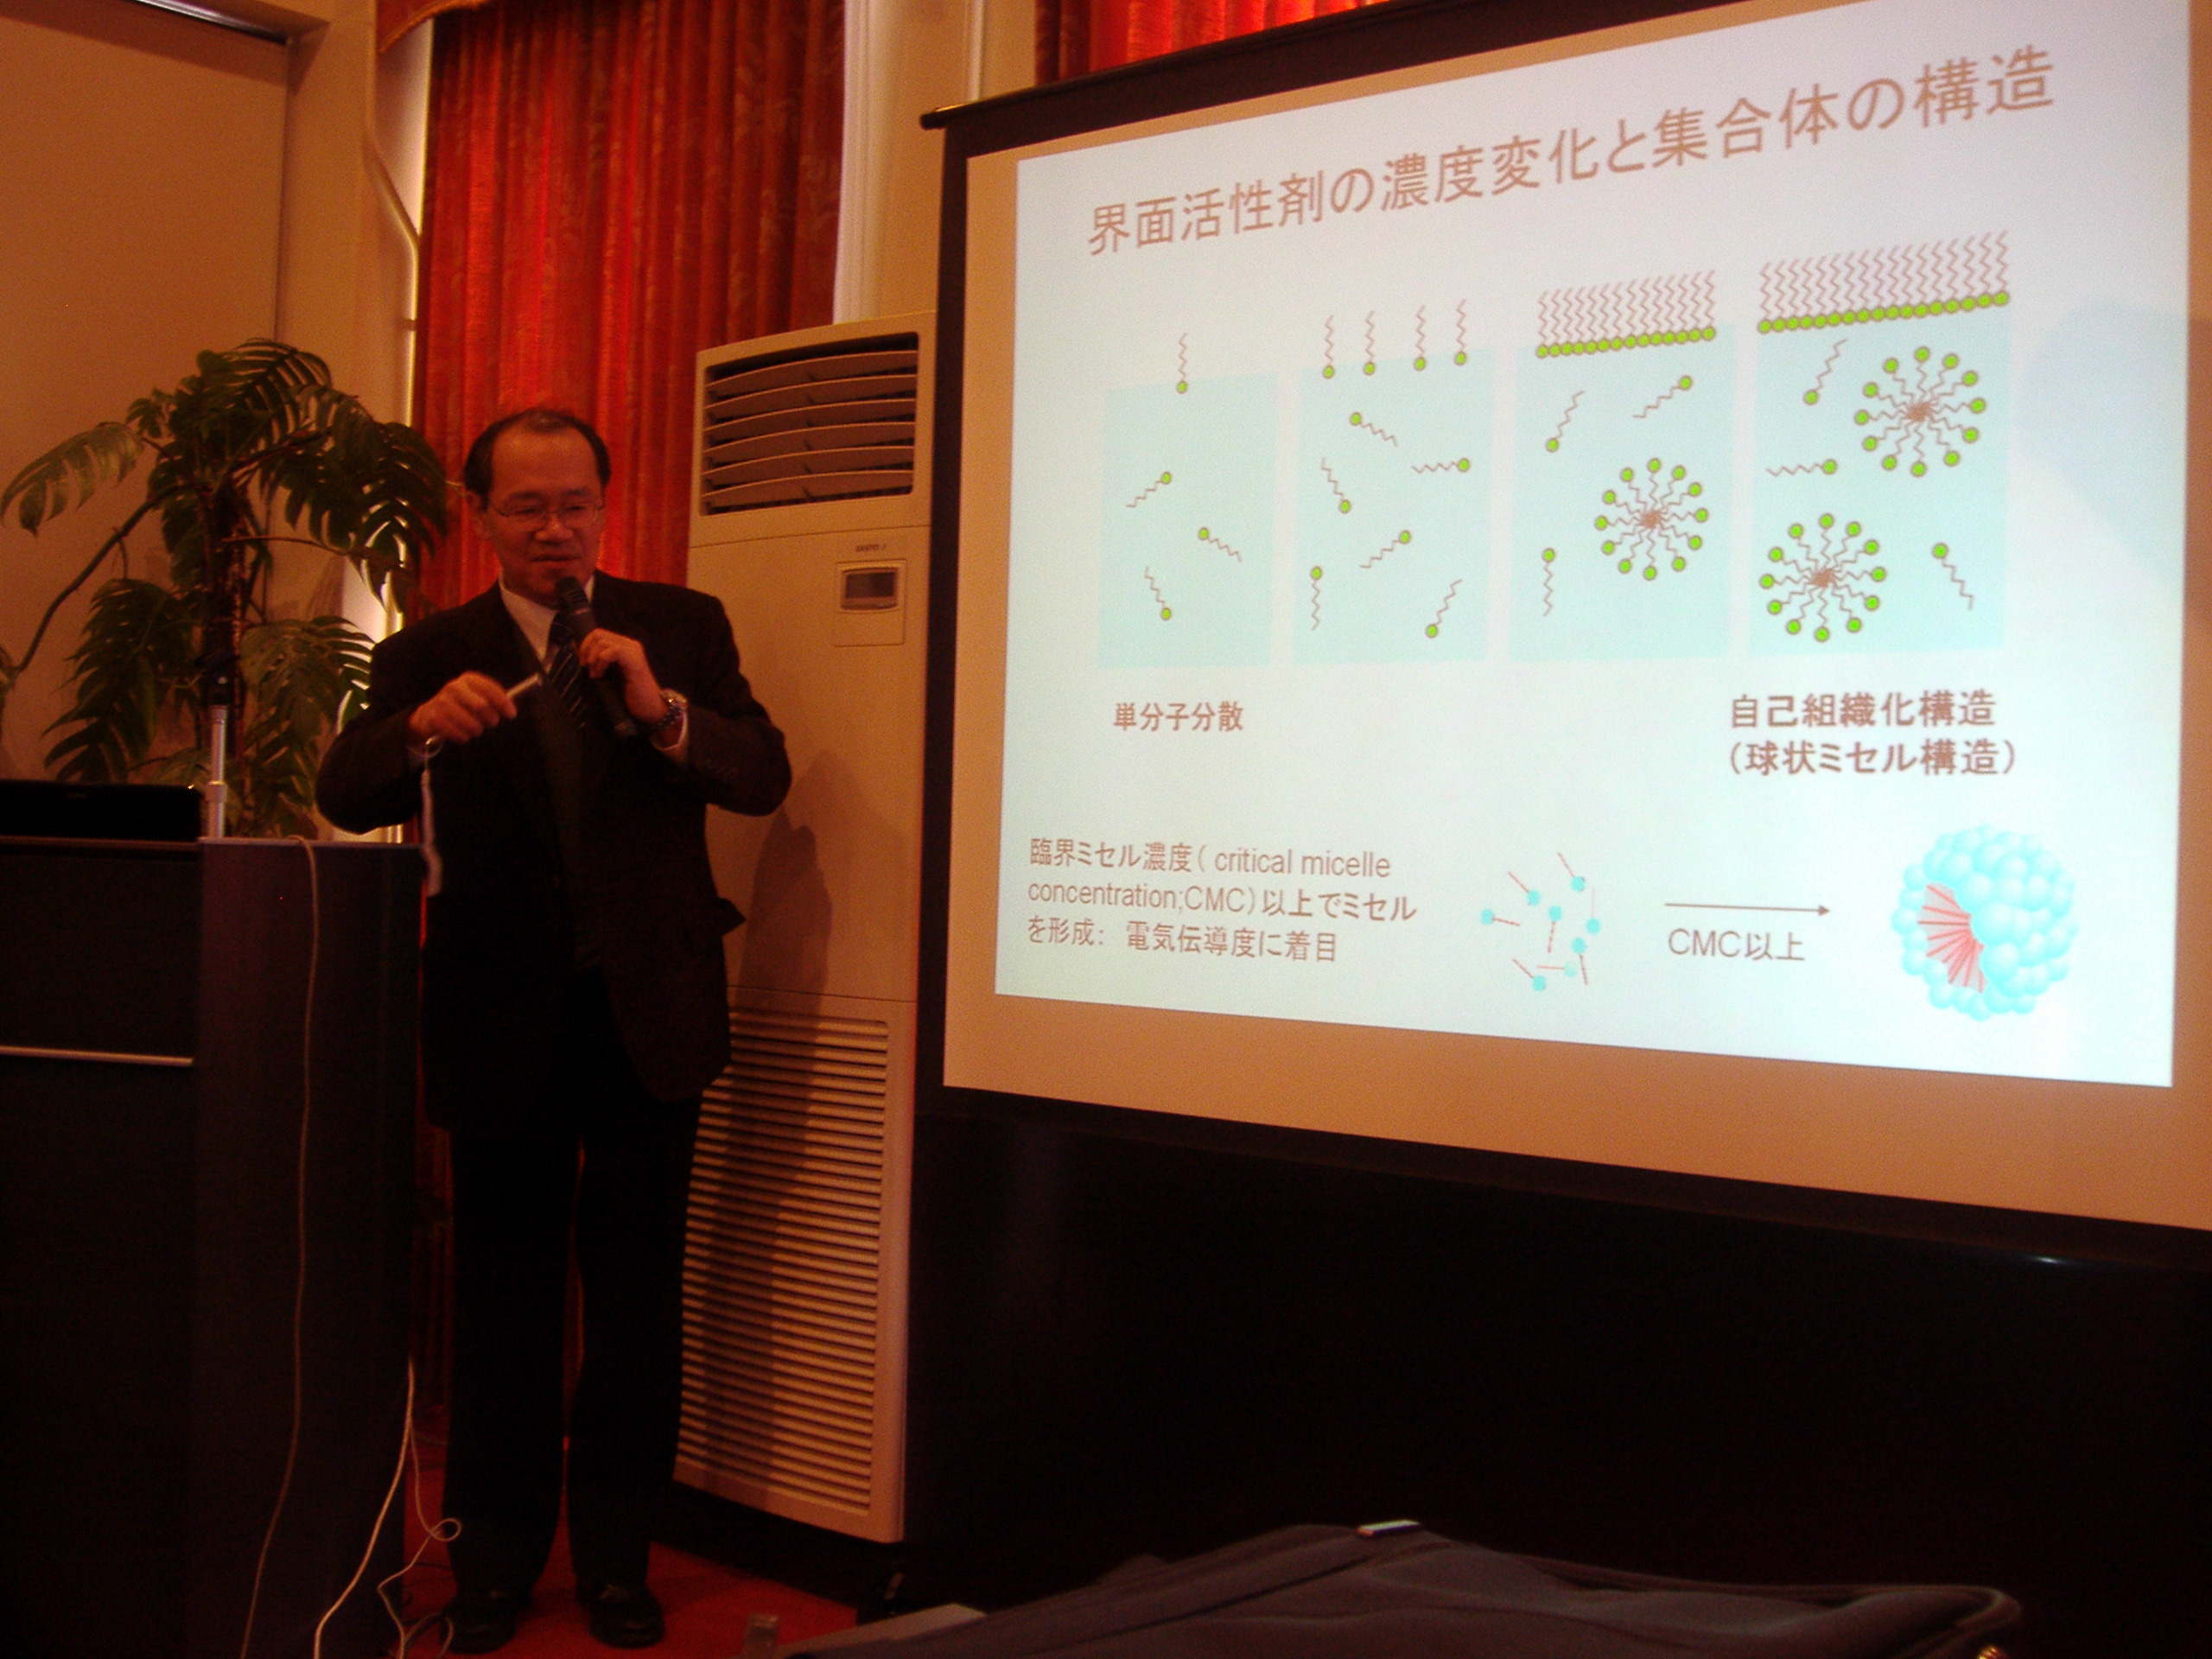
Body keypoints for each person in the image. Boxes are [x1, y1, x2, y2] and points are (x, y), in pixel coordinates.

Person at [317, 409, 790, 1651]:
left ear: (604, 505)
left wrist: (664, 710)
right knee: (505, 1307)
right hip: (501, 1017)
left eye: (575, 502)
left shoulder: (680, 627)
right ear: (481, 517)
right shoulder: (431, 652)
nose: (555, 528)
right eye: (527, 507)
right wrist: (421, 728)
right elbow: (344, 790)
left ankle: (619, 1563)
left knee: (638, 1303)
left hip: (650, 1017)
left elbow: (760, 772)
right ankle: (494, 1564)